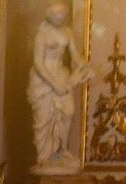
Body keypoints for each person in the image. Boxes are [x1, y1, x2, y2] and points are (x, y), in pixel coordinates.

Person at [27, 1, 91, 172]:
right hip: (44, 80)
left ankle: (61, 150)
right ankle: (45, 156)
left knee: (68, 111)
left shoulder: (67, 33)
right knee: (44, 119)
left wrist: (84, 66)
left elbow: (75, 55)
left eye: (62, 14)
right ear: (50, 15)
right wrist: (54, 84)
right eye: (56, 14)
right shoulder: (41, 35)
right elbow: (38, 63)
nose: (60, 17)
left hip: (62, 75)